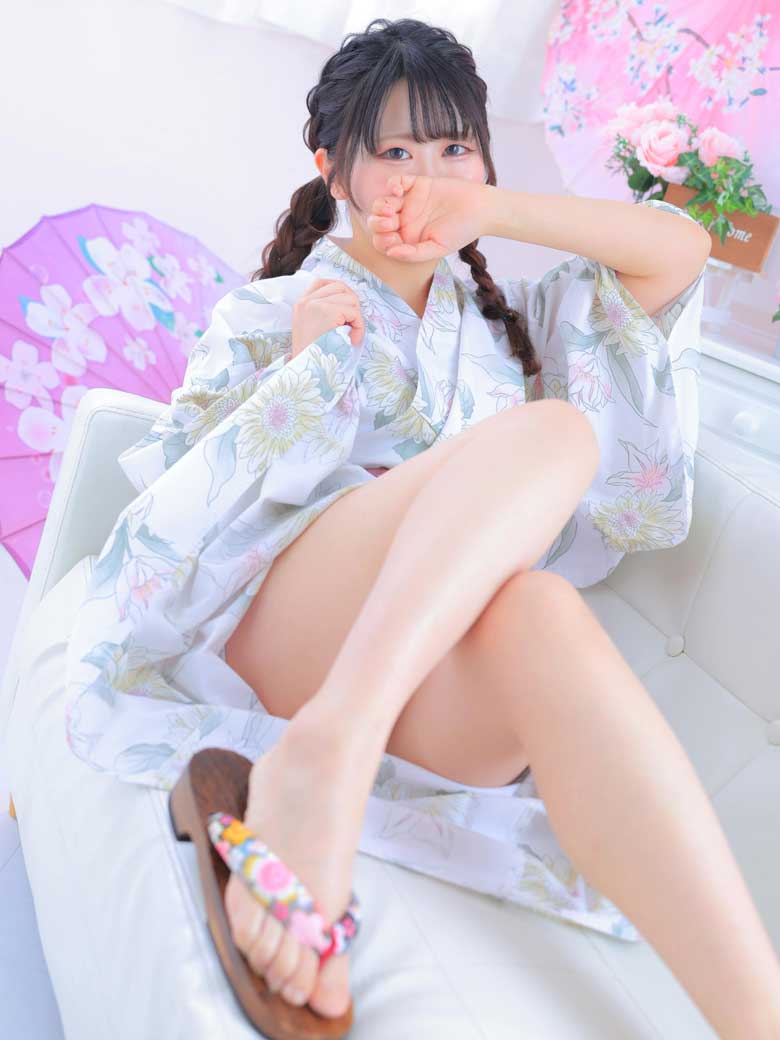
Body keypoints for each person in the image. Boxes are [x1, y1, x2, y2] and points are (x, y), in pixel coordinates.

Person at [63, 16, 780, 1036]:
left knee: (540, 609)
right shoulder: (270, 312)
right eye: (395, 152)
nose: (426, 177)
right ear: (332, 168)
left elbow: (682, 250)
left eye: (453, 148)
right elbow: (181, 523)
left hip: (432, 692)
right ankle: (329, 751)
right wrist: (304, 374)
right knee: (559, 431)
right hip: (286, 635)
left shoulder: (519, 323)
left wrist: (490, 209)